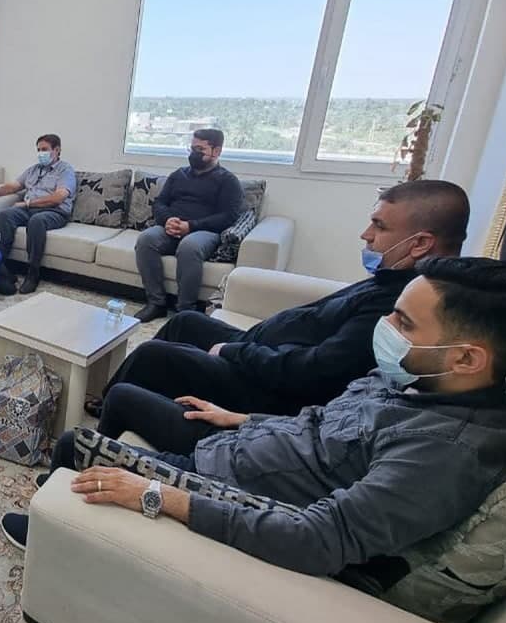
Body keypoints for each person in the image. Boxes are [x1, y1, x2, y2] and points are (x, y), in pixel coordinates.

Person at [2, 256, 506, 577]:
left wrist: (158, 495)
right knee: (123, 401)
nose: (386, 328)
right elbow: (322, 424)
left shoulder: (445, 451)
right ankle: (62, 513)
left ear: (467, 357)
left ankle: (54, 529)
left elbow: (318, 540)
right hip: (237, 446)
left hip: (226, 489)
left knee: (74, 443)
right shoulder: (417, 379)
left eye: (403, 323)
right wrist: (243, 419)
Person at [93, 179, 471, 453]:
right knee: (183, 322)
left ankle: (113, 419)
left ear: (420, 243)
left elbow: (314, 372)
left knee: (151, 354)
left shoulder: (403, 305)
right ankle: (122, 401)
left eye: (380, 226)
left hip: (268, 384)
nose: (365, 234)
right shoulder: (394, 278)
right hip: (261, 352)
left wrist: (234, 351)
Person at [134, 129, 243, 322]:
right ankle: (156, 303)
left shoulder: (228, 181)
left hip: (204, 231)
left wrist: (191, 226)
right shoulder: (179, 175)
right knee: (146, 239)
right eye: (192, 149)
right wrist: (168, 220)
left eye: (200, 149)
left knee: (189, 247)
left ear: (217, 151)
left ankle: (185, 311)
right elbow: (160, 203)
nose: (194, 154)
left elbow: (228, 216)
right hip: (171, 227)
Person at [0, 134, 76, 295]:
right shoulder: (33, 170)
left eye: (44, 149)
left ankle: (33, 274)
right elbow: (14, 186)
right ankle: (1, 266)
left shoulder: (65, 170)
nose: (41, 153)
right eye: (38, 150)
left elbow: (58, 198)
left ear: (57, 150)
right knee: (5, 215)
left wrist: (28, 203)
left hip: (55, 211)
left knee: (36, 221)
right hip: (30, 209)